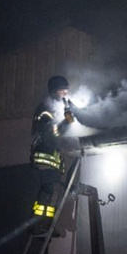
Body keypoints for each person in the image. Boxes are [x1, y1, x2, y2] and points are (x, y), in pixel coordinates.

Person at [30, 75, 80, 225]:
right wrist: (66, 121)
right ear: (54, 91)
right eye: (62, 90)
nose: (65, 93)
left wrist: (68, 118)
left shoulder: (53, 108)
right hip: (45, 157)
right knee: (51, 190)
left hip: (50, 158)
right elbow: (52, 133)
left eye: (66, 90)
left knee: (50, 190)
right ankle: (41, 224)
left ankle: (42, 223)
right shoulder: (46, 109)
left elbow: (60, 132)